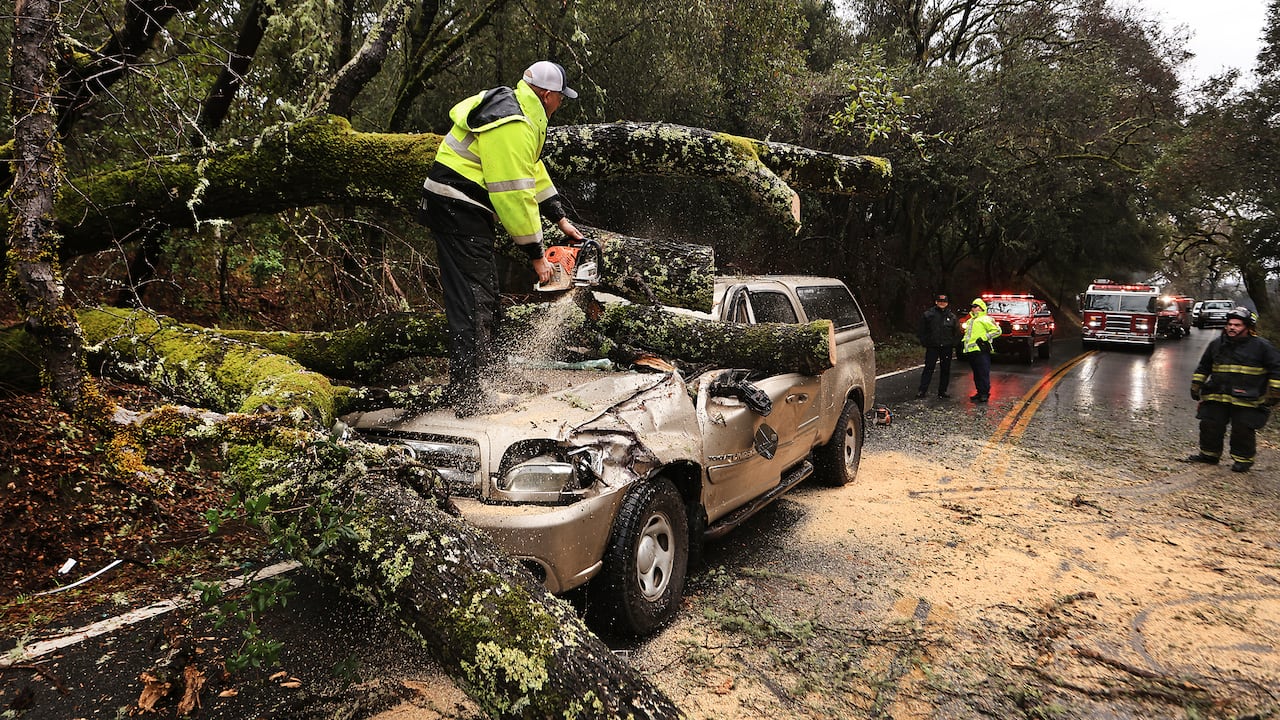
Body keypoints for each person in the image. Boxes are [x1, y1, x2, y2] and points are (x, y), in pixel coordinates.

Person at [419, 61, 585, 416]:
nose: (560, 104)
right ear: (546, 94)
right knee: (472, 301)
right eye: (560, 98)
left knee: (486, 295)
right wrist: (537, 255)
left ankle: (486, 379)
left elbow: (531, 170)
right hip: (456, 205)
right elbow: (513, 193)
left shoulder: (521, 113)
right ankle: (469, 395)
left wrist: (559, 217)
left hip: (461, 206)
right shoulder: (512, 123)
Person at [1185, 307, 1280, 472]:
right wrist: (1196, 384)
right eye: (1229, 324)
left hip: (1248, 397)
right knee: (1210, 424)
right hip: (1217, 394)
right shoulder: (1217, 344)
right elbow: (1204, 366)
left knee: (1242, 429)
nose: (1231, 328)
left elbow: (1276, 369)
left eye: (1237, 325)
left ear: (1248, 328)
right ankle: (1209, 455)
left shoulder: (1262, 347)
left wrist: (1275, 391)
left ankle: (1243, 460)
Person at [916, 293, 960, 398]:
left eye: (944, 302)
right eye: (940, 301)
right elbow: (921, 330)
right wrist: (925, 342)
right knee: (929, 368)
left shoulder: (952, 316)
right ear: (936, 302)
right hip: (932, 346)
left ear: (947, 303)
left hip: (946, 347)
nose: (942, 303)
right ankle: (922, 390)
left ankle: (943, 391)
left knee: (945, 369)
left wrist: (953, 344)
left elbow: (957, 332)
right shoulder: (928, 315)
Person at [960, 297, 1002, 403]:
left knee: (983, 373)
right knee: (977, 373)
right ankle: (979, 392)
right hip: (971, 351)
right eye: (972, 307)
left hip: (981, 350)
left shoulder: (986, 319)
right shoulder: (970, 321)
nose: (973, 309)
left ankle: (984, 393)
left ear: (981, 308)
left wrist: (984, 338)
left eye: (975, 306)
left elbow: (997, 331)